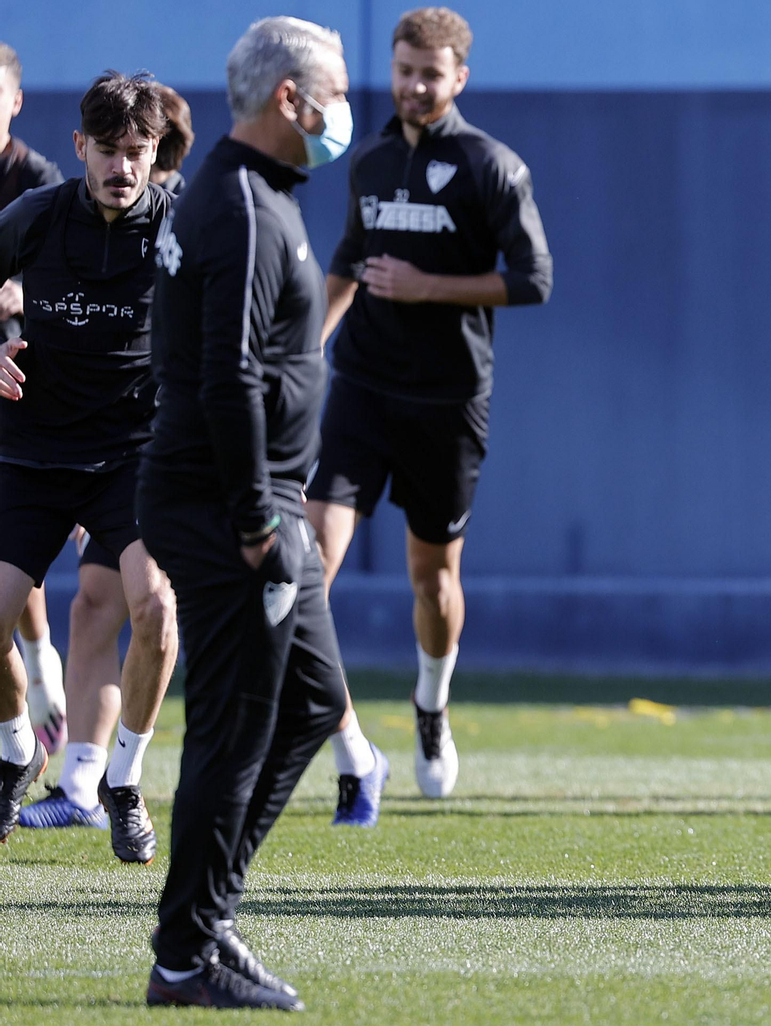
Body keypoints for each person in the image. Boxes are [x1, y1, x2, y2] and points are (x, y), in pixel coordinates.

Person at [140, 16, 351, 1010]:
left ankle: (204, 915)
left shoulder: (255, 193)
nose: (343, 110)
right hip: (232, 513)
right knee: (234, 729)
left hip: (250, 503)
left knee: (310, 702)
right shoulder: (242, 206)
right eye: (333, 92)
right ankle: (187, 955)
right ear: (288, 98)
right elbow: (227, 378)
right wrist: (259, 524)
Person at [307, 5, 552, 814]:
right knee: (308, 566)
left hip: (448, 403)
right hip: (361, 389)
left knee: (433, 580)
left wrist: (428, 287)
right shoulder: (370, 158)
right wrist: (302, 352)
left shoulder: (491, 166)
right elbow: (349, 261)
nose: (414, 86)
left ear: (459, 79)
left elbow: (535, 278)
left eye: (430, 75)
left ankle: (431, 705)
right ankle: (346, 747)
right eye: (404, 71)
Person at [0, 72, 179, 865]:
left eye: (136, 151)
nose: (121, 166)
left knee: (156, 610)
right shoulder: (35, 216)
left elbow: (242, 326)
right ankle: (16, 752)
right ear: (79, 147)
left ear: (155, 152)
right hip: (32, 454)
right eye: (107, 149)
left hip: (132, 458)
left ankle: (123, 784)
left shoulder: (180, 228)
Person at [0, 41, 68, 756]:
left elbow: (65, 280)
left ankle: (43, 664)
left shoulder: (38, 182)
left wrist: (23, 291)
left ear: (15, 102)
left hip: (18, 377)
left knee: (15, 534)